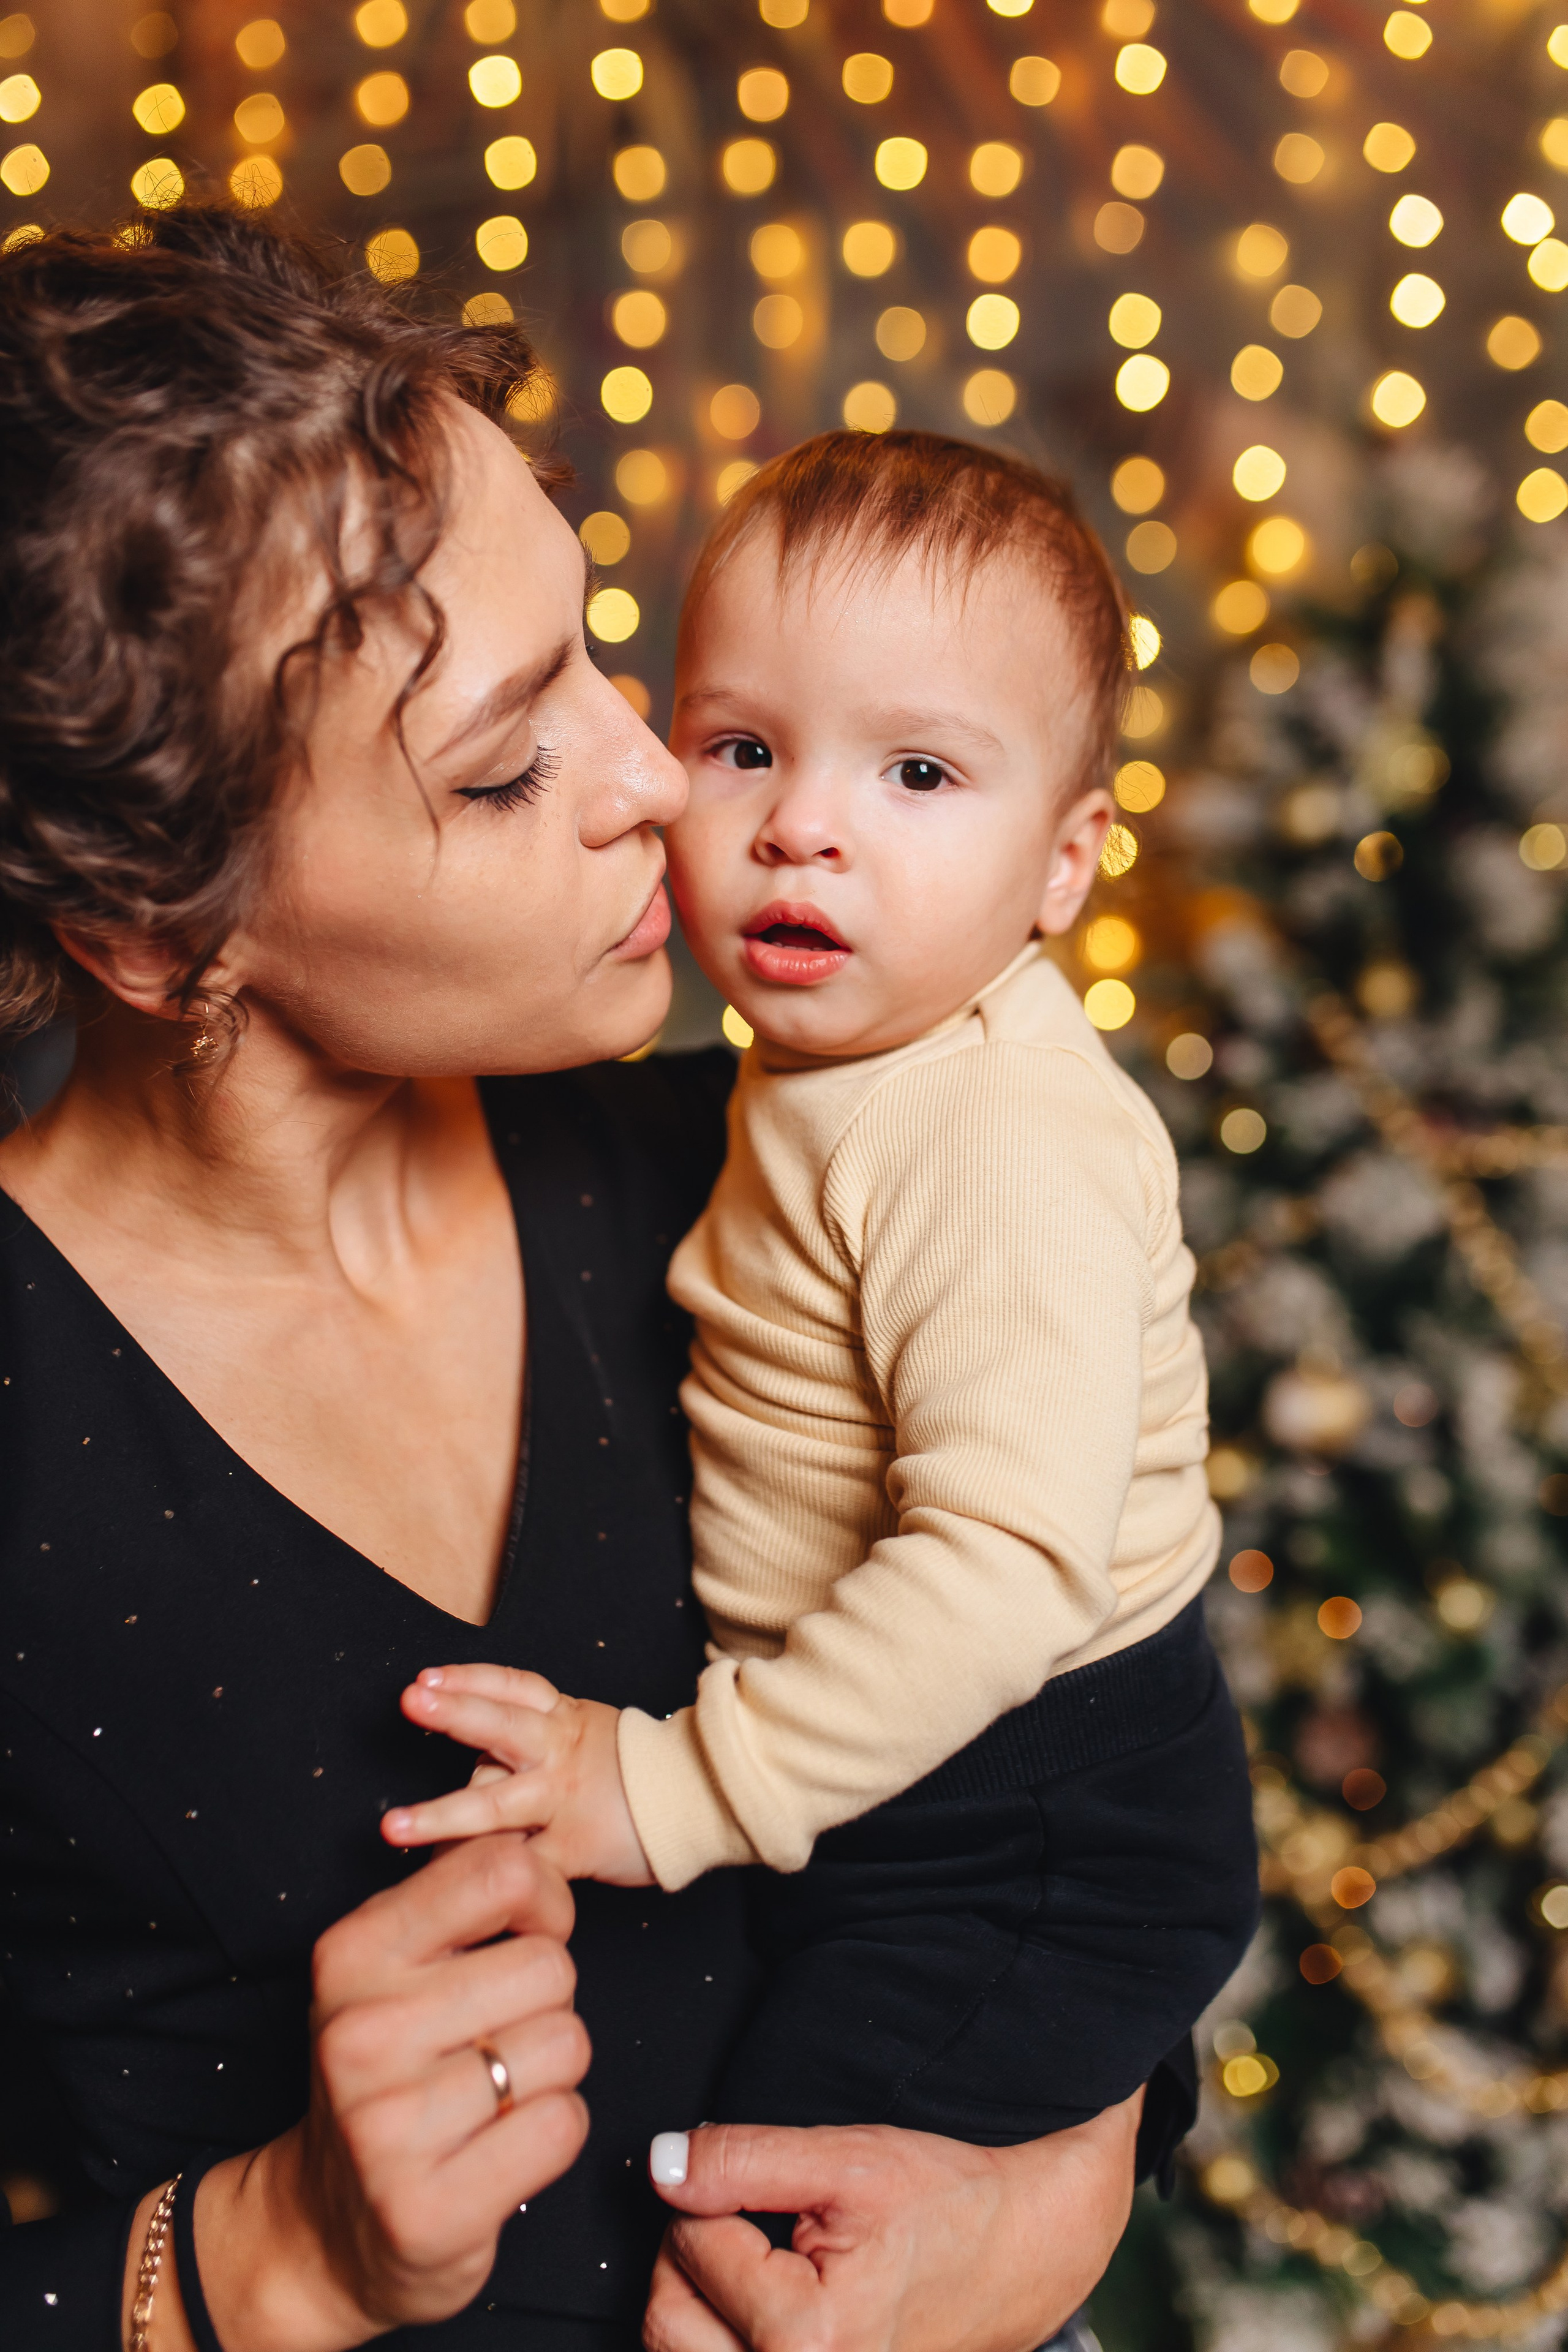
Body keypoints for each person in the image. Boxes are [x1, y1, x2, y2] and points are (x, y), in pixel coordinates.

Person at [0, 203, 1155, 2351]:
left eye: (605, 656)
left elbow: (1069, 1799)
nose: (659, 779)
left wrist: (1039, 2212)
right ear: (166, 936)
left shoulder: (754, 1157)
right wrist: (267, 2259)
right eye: (509, 759)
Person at [380, 433, 1259, 2157]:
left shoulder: (996, 1129)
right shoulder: (805, 1072)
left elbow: (1006, 1572)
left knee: (780, 2213)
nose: (800, 828)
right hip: (905, 1757)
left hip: (1037, 1807)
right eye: (743, 748)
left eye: (918, 774)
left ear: (1067, 863)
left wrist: (675, 1788)